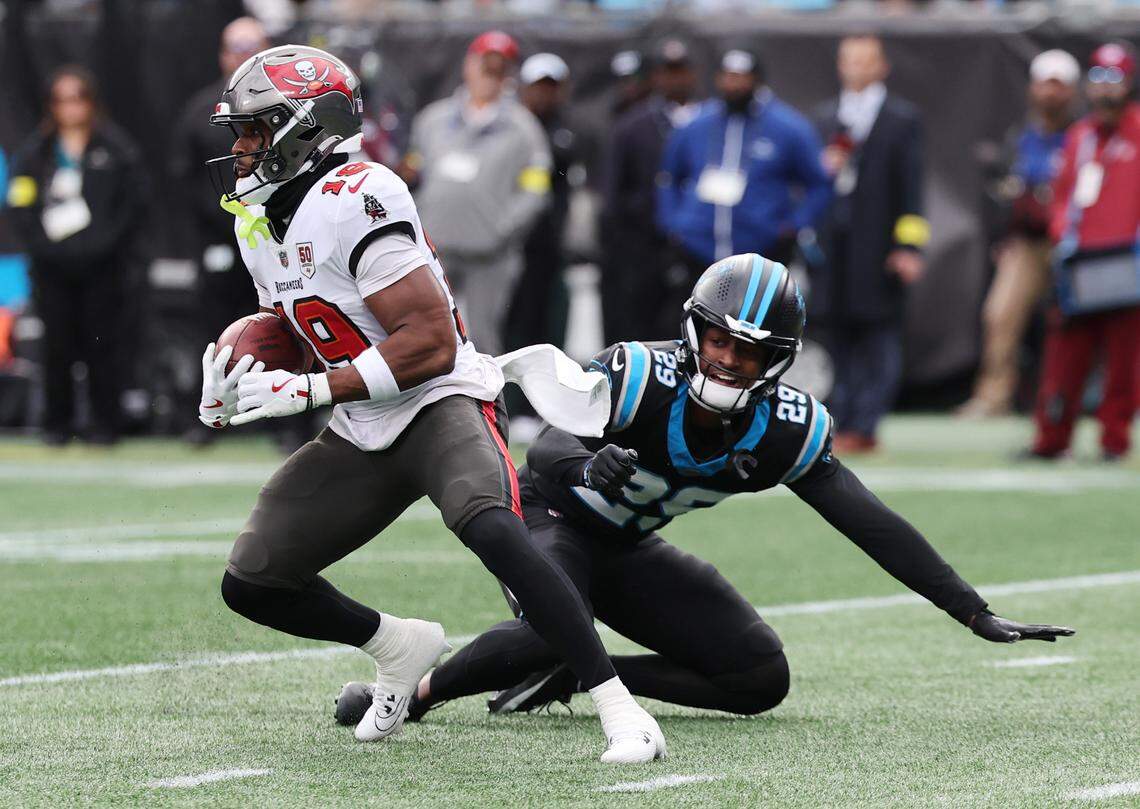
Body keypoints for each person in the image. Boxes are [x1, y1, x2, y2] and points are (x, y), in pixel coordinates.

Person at [330, 254, 1074, 724]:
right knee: (555, 616)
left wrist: (970, 610)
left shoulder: (784, 428)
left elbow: (870, 522)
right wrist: (588, 466)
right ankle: (414, 697)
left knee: (759, 676)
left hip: (625, 544)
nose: (726, 359)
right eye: (717, 340)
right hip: (550, 518)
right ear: (694, 332)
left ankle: (583, 671)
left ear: (777, 361)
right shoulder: (642, 375)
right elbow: (550, 441)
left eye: (747, 352)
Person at [199, 44, 664, 763]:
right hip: (364, 422)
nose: (241, 146)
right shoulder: (256, 220)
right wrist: (237, 374)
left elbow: (431, 342)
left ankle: (620, 707)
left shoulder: (360, 194)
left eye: (256, 129)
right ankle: (398, 643)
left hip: (439, 399)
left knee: (497, 532)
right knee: (253, 578)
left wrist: (310, 389)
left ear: (306, 126)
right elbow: (295, 330)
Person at [6, 67, 145, 445]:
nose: (70, 107)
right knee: (58, 345)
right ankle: (57, 424)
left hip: (103, 266)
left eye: (77, 97)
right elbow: (20, 206)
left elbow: (132, 204)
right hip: (52, 267)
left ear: (91, 101)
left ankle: (104, 423)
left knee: (102, 342)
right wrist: (45, 247)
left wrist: (104, 243)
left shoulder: (115, 148)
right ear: (51, 105)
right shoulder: (35, 153)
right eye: (61, 99)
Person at [398, 31, 551, 356]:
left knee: (485, 340)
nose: (489, 76)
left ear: (508, 74)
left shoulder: (525, 129)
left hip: (491, 255)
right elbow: (414, 172)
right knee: (424, 334)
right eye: (485, 66)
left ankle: (490, 407)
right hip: (435, 249)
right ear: (469, 65)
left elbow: (536, 190)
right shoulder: (433, 120)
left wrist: (502, 229)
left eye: (499, 69)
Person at [657, 49, 831, 334]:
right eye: (727, 77)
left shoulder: (788, 127)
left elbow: (818, 183)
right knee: (695, 329)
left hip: (758, 252)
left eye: (741, 77)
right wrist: (674, 223)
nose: (733, 84)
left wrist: (793, 226)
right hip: (698, 248)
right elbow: (668, 177)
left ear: (757, 80)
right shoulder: (696, 124)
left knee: (750, 332)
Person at [813, 35, 926, 454]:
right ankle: (837, 419)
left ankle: (866, 422)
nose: (857, 68)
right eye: (849, 60)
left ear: (882, 67)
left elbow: (913, 190)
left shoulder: (902, 119)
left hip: (878, 246)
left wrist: (909, 247)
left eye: (866, 60)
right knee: (833, 333)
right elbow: (810, 187)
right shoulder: (825, 117)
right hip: (832, 246)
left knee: (878, 335)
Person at [1028, 43, 1140, 461]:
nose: (1106, 90)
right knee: (1064, 357)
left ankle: (1114, 440)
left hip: (1126, 265)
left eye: (1116, 79)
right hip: (1079, 264)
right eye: (1099, 79)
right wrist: (1062, 235)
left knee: (1123, 363)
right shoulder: (1080, 136)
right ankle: (1051, 439)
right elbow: (1062, 197)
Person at [958, 50, 1079, 419]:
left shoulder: (1082, 135)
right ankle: (994, 395)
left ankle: (1084, 398)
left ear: (1072, 91)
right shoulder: (1021, 138)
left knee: (1090, 322)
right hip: (1028, 244)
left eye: (1058, 85)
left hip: (1074, 242)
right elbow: (1005, 191)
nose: (1050, 93)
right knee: (1000, 313)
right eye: (1045, 84)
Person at [170, 16, 271, 444]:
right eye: (236, 47)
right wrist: (219, 221)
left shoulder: (286, 107)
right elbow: (181, 175)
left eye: (252, 46)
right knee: (215, 326)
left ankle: (282, 417)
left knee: (278, 322)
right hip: (220, 236)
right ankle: (213, 414)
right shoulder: (201, 109)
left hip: (275, 234)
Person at [600, 39, 700, 343]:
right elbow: (614, 194)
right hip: (645, 246)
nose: (675, 80)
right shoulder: (633, 126)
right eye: (668, 72)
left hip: (696, 244)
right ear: (656, 77)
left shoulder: (712, 123)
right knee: (642, 326)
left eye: (681, 71)